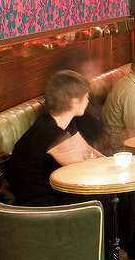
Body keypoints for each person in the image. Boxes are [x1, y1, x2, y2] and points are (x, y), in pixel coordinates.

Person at [6, 70, 105, 206]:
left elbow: (88, 151)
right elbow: (83, 172)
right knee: (110, 198)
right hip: (41, 206)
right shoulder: (48, 132)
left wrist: (110, 163)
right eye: (86, 97)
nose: (88, 101)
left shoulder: (66, 123)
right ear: (73, 101)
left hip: (57, 196)